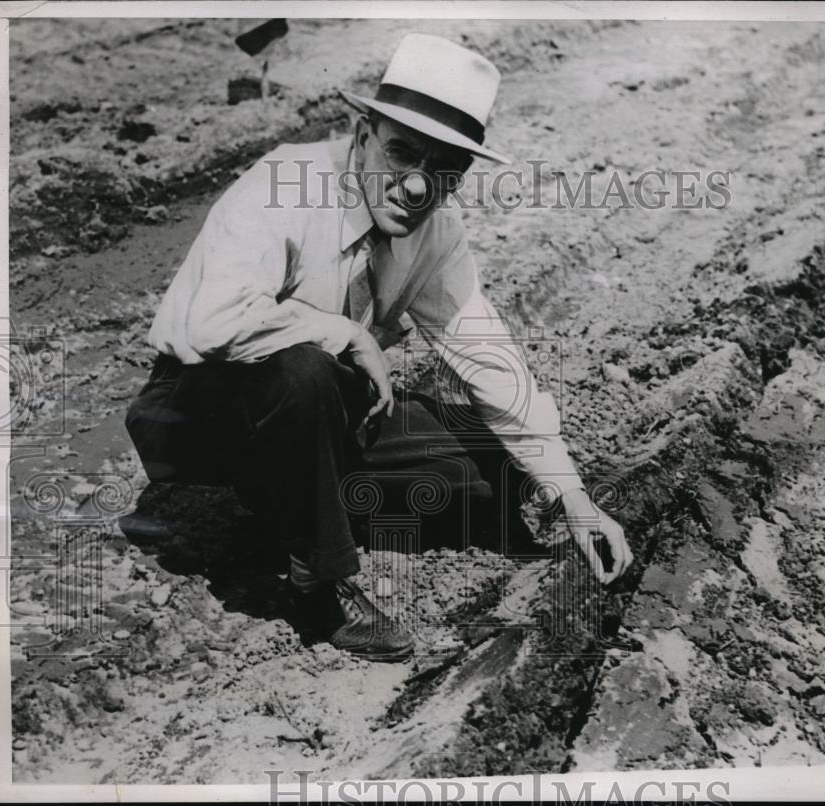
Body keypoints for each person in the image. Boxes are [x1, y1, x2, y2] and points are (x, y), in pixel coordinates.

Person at [125, 33, 633, 661]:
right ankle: (317, 580)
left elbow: (489, 358)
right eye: (403, 154)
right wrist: (347, 331)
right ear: (363, 135)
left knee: (495, 478)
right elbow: (210, 325)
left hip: (326, 412)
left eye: (445, 169)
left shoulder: (437, 236)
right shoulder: (284, 183)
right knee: (304, 368)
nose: (419, 188)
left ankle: (295, 503)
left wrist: (576, 500)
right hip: (195, 413)